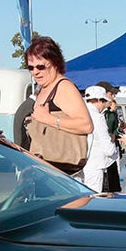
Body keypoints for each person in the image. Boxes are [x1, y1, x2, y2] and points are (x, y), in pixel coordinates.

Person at [24, 36, 93, 170]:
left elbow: (86, 125)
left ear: (55, 64)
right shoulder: (44, 88)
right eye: (30, 68)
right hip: (46, 170)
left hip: (63, 173)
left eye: (40, 66)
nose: (35, 72)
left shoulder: (63, 87)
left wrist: (49, 119)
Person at [78, 85, 118, 193]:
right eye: (104, 102)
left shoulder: (78, 113)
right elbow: (108, 149)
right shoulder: (98, 117)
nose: (104, 105)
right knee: (92, 199)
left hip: (78, 164)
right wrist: (115, 150)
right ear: (99, 100)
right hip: (94, 165)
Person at [96, 81, 123, 192]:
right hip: (98, 159)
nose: (113, 97)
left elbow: (114, 130)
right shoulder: (96, 114)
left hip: (111, 154)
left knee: (113, 186)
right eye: (111, 94)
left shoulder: (111, 113)